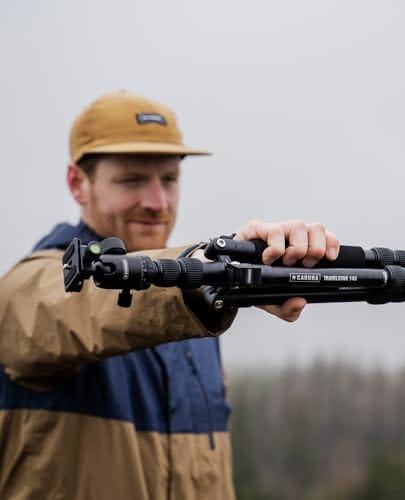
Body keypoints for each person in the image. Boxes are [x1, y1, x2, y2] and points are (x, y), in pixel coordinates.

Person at [0, 91, 339, 500]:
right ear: (78, 184)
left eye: (169, 180)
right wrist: (205, 270)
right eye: (132, 180)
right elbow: (75, 301)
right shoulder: (28, 291)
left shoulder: (199, 315)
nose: (157, 202)